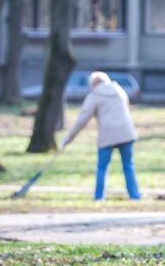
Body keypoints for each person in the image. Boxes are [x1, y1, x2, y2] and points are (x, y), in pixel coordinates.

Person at [60, 71, 141, 201]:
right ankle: (135, 196)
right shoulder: (119, 91)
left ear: (94, 84)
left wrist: (68, 138)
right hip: (126, 132)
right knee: (128, 165)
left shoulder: (95, 95)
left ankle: (99, 197)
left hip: (107, 134)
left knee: (102, 167)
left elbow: (82, 119)